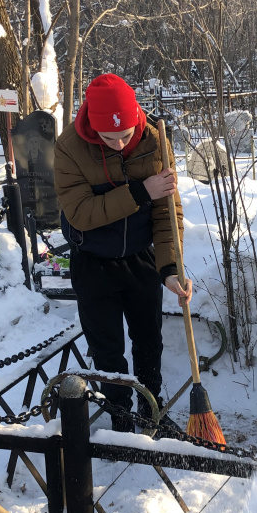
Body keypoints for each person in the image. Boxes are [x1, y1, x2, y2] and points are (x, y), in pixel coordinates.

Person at [54, 73, 191, 431]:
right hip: (93, 260)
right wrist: (141, 191)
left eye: (125, 136)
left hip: (139, 257)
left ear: (136, 121)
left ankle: (151, 411)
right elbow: (81, 213)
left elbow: (166, 212)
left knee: (149, 340)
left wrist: (170, 268)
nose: (118, 145)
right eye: (108, 138)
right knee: (107, 349)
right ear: (92, 127)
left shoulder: (154, 141)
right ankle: (121, 416)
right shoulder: (69, 147)